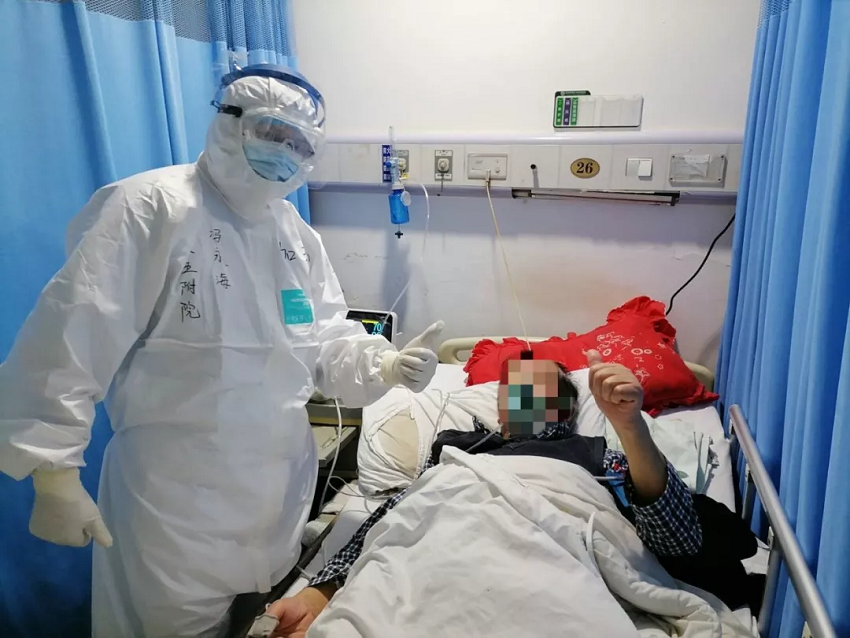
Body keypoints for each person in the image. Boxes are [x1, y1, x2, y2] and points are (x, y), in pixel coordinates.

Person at [0, 65, 443, 638]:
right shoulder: (150, 207)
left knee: (253, 619)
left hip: (275, 498)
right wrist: (53, 471)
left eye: (299, 144)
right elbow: (70, 334)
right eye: (272, 133)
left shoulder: (294, 234)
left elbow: (324, 338)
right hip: (173, 507)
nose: (284, 152)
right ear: (228, 122)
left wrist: (383, 363)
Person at [261, 351, 703, 637]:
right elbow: (394, 520)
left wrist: (629, 425)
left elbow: (678, 540)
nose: (522, 392)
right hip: (432, 560)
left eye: (539, 385)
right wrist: (320, 593)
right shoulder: (457, 450)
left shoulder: (597, 454)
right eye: (514, 389)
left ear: (568, 407)